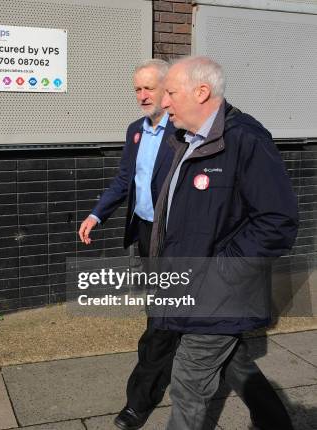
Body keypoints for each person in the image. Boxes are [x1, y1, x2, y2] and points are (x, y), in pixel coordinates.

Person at [150, 56, 297, 429]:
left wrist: (219, 274)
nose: (163, 102)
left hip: (218, 290)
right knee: (234, 362)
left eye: (170, 92)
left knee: (187, 383)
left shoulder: (245, 140)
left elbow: (277, 222)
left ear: (202, 92)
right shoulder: (184, 140)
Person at [78, 59, 178, 430]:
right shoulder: (136, 130)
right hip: (143, 232)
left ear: (167, 87)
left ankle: (139, 399)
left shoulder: (182, 132)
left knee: (161, 319)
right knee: (162, 311)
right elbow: (125, 180)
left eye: (148, 88)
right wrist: (96, 215)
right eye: (137, 89)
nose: (141, 96)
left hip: (174, 237)